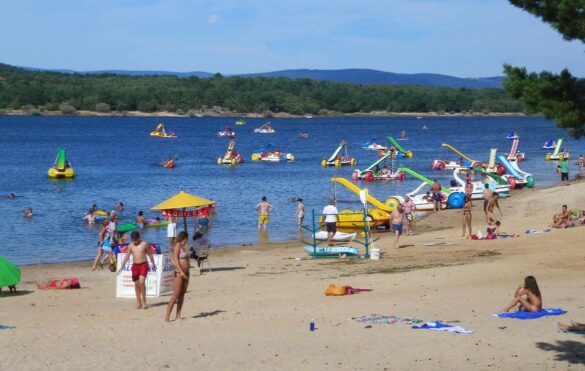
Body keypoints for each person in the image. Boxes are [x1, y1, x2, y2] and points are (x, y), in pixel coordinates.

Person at [117, 231, 156, 310]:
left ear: (139, 238)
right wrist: (121, 267)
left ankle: (144, 301)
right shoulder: (130, 246)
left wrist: (153, 263)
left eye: (135, 240)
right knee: (136, 284)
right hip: (135, 266)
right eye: (132, 240)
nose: (134, 241)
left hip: (143, 265)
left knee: (142, 282)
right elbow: (127, 256)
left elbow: (150, 254)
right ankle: (138, 302)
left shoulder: (144, 244)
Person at [165, 231, 190, 321]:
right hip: (179, 273)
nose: (187, 240)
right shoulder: (178, 245)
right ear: (184, 238)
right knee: (175, 295)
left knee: (182, 294)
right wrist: (181, 271)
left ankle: (178, 315)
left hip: (186, 272)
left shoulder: (184, 246)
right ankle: (167, 316)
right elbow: (175, 259)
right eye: (186, 239)